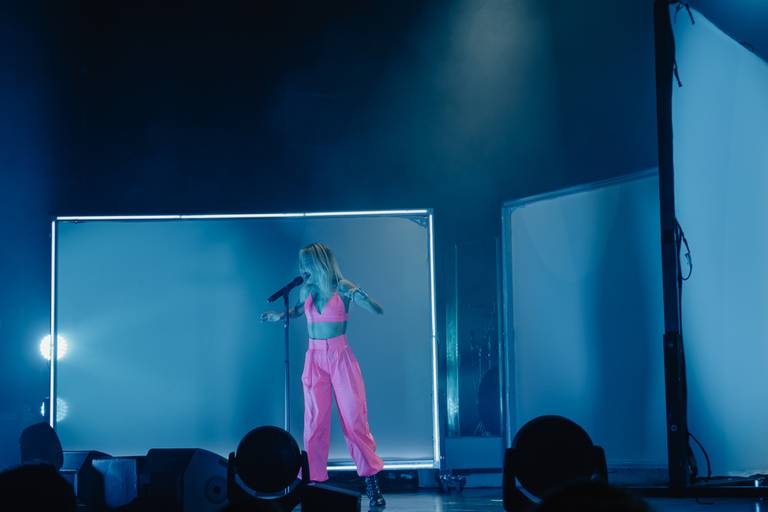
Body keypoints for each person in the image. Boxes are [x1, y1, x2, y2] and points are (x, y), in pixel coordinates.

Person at [261, 242, 386, 509]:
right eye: (301, 265)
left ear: (319, 263)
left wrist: (363, 298)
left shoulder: (341, 286)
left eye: (306, 264)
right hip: (314, 357)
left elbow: (375, 308)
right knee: (314, 422)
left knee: (354, 420)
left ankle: (371, 481)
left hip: (340, 356)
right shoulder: (306, 289)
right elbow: (298, 311)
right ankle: (312, 481)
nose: (302, 269)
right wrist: (278, 316)